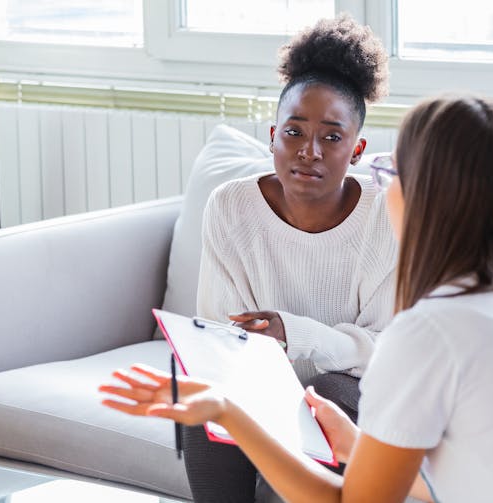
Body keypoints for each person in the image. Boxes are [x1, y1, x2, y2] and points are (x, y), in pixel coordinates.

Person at [101, 93, 493, 502]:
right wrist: (359, 446)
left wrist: (229, 412)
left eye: (394, 173)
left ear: (426, 196)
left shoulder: (431, 331)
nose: (387, 189)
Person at [167, 14, 394, 502]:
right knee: (204, 394)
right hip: (260, 384)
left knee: (326, 394)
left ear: (357, 149)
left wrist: (294, 334)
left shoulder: (385, 217)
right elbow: (218, 331)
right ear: (273, 135)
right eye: (294, 132)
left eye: (332, 137)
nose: (309, 151)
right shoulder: (230, 206)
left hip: (352, 392)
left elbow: (384, 352)